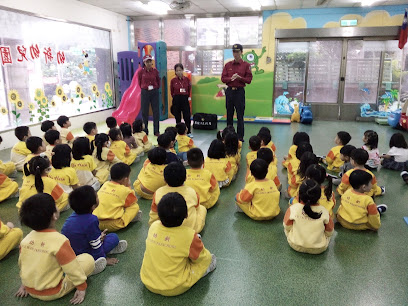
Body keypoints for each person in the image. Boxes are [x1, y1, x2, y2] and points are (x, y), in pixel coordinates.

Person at [15, 193, 94, 304]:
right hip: (53, 292)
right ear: (54, 216)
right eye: (55, 205)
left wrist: (24, 284)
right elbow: (72, 268)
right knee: (87, 259)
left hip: (30, 289)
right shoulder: (60, 241)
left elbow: (23, 265)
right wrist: (81, 288)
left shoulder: (25, 240)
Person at [140, 192, 216, 296]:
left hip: (148, 281)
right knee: (207, 259)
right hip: (175, 287)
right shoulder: (189, 235)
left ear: (159, 214)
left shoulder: (153, 226)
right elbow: (202, 257)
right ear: (186, 215)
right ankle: (206, 270)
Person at [61, 186, 128, 275]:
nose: (98, 197)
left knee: (100, 238)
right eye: (96, 196)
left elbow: (80, 235)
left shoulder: (72, 216)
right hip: (86, 254)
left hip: (71, 254)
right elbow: (95, 245)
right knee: (114, 237)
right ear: (93, 206)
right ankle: (95, 262)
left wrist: (99, 237)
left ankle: (100, 254)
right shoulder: (92, 220)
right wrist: (104, 259)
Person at [149, 162, 207, 233]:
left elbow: (154, 213)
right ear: (185, 178)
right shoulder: (192, 191)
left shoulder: (158, 192)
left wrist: (153, 225)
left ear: (164, 179)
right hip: (190, 230)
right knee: (202, 208)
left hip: (164, 228)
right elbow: (197, 207)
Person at [283, 179, 334, 254]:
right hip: (319, 248)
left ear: (299, 194)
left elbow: (287, 227)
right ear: (319, 196)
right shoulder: (324, 211)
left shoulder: (293, 208)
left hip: (295, 245)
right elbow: (329, 232)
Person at [93, 163, 141, 232]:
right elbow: (132, 202)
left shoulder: (105, 184)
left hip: (97, 222)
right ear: (125, 179)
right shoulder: (125, 190)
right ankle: (128, 219)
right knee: (135, 206)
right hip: (114, 224)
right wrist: (128, 186)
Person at [221, 43, 253, 141]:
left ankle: (240, 137)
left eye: (237, 52)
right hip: (230, 91)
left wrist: (240, 78)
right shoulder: (228, 65)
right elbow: (223, 78)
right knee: (229, 114)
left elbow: (249, 80)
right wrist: (231, 78)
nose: (235, 54)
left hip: (239, 92)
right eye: (234, 52)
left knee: (240, 115)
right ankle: (229, 135)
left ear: (241, 52)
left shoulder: (246, 65)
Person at [138, 54, 160, 136]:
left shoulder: (155, 71)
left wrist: (156, 87)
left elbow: (158, 80)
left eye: (150, 61)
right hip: (145, 92)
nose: (149, 63)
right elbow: (139, 81)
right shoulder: (141, 72)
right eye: (147, 62)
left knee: (156, 112)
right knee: (144, 111)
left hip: (154, 92)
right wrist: (144, 88)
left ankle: (156, 130)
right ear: (144, 63)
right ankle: (145, 130)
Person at [170, 63, 192, 137]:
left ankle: (188, 131)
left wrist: (186, 96)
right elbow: (171, 91)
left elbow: (189, 89)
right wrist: (175, 96)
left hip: (184, 98)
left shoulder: (187, 79)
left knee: (187, 116)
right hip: (176, 99)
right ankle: (179, 132)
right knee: (177, 116)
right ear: (175, 72)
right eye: (177, 70)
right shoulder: (173, 80)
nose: (179, 72)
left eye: (180, 70)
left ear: (183, 70)